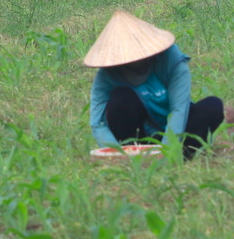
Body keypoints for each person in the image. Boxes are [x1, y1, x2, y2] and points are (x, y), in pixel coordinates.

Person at [85, 9, 222, 160]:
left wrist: (165, 152)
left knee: (213, 107)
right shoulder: (108, 74)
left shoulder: (172, 60)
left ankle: (183, 156)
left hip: (178, 129)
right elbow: (97, 123)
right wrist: (116, 154)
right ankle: (135, 158)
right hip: (140, 137)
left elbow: (179, 110)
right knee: (121, 99)